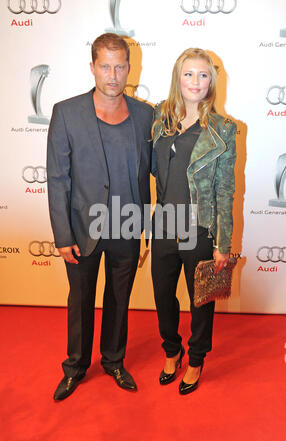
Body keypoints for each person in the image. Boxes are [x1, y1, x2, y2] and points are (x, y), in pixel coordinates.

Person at [47, 33, 153, 400]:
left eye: (119, 66)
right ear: (92, 67)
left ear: (129, 68)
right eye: (105, 66)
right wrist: (62, 235)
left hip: (127, 225)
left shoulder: (145, 115)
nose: (112, 74)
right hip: (81, 228)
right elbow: (57, 177)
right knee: (80, 300)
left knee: (119, 298)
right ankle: (75, 366)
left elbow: (154, 172)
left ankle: (113, 360)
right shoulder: (66, 112)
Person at [151, 48, 237, 395]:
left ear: (211, 82)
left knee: (200, 300)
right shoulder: (159, 118)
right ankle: (171, 350)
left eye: (203, 75)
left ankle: (197, 358)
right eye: (189, 74)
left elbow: (225, 189)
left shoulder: (223, 130)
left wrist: (223, 246)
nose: (195, 81)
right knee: (162, 296)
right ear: (178, 78)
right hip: (163, 225)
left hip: (198, 227)